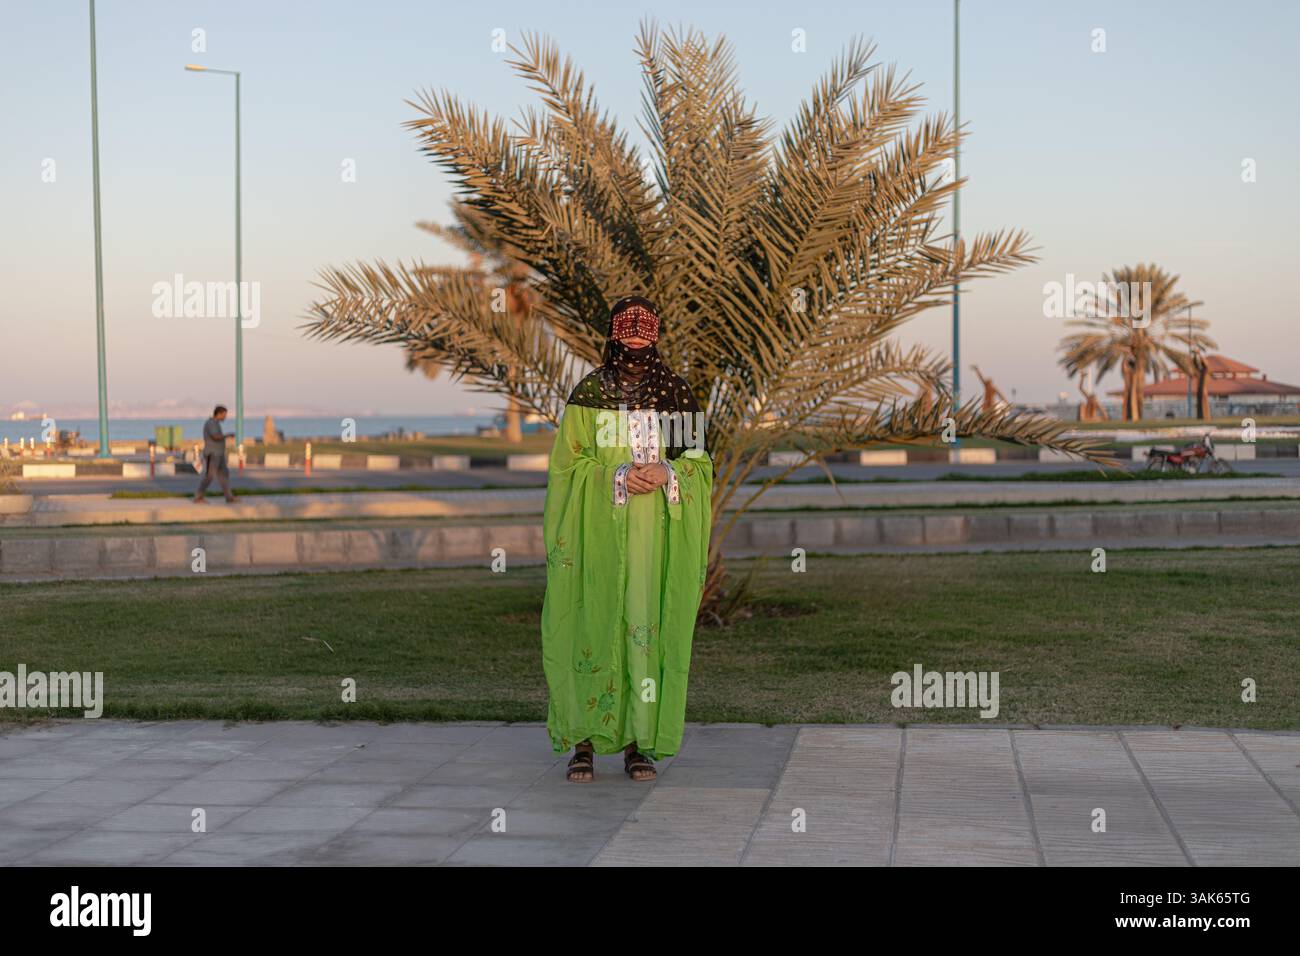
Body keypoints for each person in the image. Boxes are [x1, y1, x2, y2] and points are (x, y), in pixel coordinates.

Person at [541, 296, 712, 783]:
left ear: (656, 334)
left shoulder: (677, 396)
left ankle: (640, 744)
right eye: (628, 331)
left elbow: (701, 464)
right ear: (614, 334)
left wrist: (668, 471)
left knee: (646, 629)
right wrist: (615, 476)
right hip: (597, 540)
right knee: (591, 625)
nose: (636, 340)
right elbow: (566, 467)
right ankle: (585, 743)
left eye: (645, 331)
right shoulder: (589, 393)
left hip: (655, 542)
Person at [193, 405, 236, 504]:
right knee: (210, 476)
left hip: (219, 454)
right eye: (224, 415)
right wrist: (228, 435)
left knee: (224, 475)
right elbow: (215, 437)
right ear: (219, 413)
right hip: (213, 454)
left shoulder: (216, 423)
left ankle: (229, 497)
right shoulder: (211, 423)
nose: (225, 417)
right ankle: (198, 497)